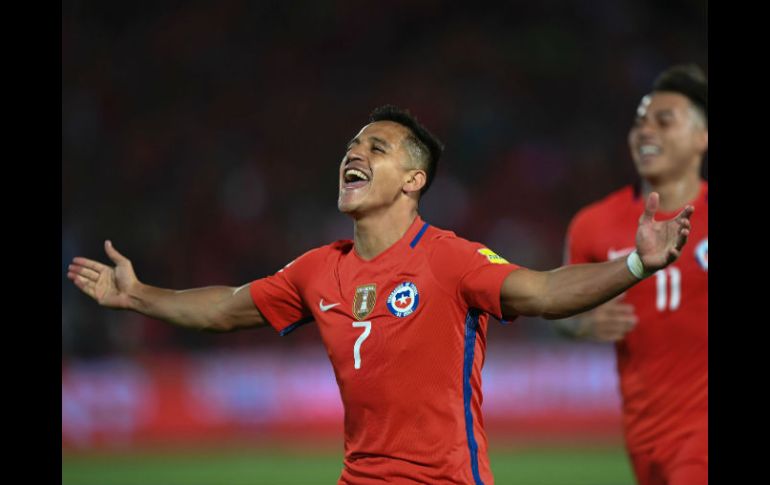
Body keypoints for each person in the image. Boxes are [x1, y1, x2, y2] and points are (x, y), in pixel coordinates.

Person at [67, 105, 693, 485]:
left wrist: (638, 261)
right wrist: (141, 295)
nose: (353, 154)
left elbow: (547, 291)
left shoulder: (449, 258)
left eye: (376, 148)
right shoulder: (318, 269)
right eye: (351, 148)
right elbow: (228, 307)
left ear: (414, 180)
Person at [555, 65, 708, 485]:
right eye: (640, 122)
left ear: (701, 138)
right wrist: (581, 323)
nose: (646, 131)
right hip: (643, 430)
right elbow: (557, 307)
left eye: (664, 120)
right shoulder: (593, 224)